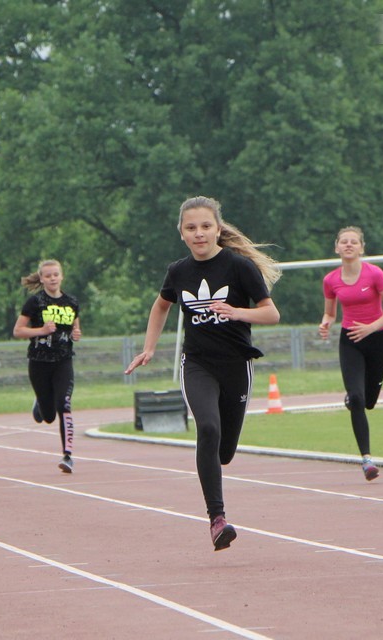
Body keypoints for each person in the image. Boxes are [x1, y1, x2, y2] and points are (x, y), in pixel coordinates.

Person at [125, 196, 281, 551]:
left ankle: (218, 480)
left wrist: (236, 312)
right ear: (181, 233)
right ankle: (217, 519)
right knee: (207, 427)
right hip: (197, 364)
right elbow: (161, 304)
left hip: (236, 365)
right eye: (191, 228)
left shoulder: (239, 268)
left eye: (205, 226)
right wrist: (150, 347)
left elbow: (271, 314)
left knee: (223, 452)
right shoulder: (178, 271)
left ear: (217, 229)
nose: (199, 234)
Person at [318, 226, 383, 482]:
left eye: (354, 242)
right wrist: (326, 322)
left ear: (361, 248)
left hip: (378, 339)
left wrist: (371, 328)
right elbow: (330, 312)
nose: (349, 245)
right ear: (337, 247)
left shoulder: (374, 274)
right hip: (351, 340)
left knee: (369, 401)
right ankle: (367, 460)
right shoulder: (331, 280)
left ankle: (357, 399)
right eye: (344, 241)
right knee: (356, 398)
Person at [13, 259, 82, 473]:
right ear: (42, 279)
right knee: (49, 415)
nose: (53, 278)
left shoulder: (71, 302)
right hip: (39, 362)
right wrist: (41, 331)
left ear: (61, 276)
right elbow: (18, 331)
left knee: (65, 405)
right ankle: (40, 404)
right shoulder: (35, 303)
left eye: (56, 274)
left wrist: (76, 334)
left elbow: (75, 328)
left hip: (63, 360)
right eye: (48, 275)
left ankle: (68, 456)